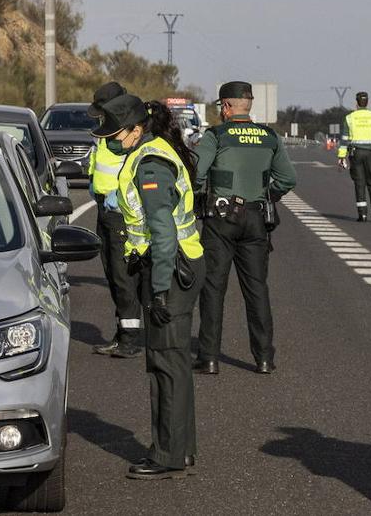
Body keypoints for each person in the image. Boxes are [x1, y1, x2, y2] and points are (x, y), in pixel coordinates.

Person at [92, 93, 205, 481]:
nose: (109, 139)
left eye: (114, 133)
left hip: (171, 272)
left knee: (164, 364)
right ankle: (181, 449)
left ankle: (167, 455)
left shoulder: (151, 164)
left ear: (136, 130)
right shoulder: (148, 152)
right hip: (175, 268)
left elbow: (162, 232)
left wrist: (157, 291)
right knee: (172, 363)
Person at [192, 81, 297, 376]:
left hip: (221, 219)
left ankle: (209, 358)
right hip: (256, 219)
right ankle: (264, 358)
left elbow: (197, 175)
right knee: (256, 289)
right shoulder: (269, 137)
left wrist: (201, 194)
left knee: (213, 288)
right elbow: (288, 178)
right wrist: (267, 195)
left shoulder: (216, 136)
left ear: (226, 106)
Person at [86, 81, 142, 358]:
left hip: (121, 214)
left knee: (123, 279)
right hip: (105, 210)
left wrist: (115, 197)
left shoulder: (127, 134)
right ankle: (122, 333)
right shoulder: (106, 131)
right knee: (113, 275)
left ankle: (130, 339)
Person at [337, 91, 371, 222]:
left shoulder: (350, 118)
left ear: (356, 103)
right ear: (368, 102)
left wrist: (342, 157)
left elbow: (344, 139)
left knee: (359, 183)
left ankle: (362, 215)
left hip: (356, 153)